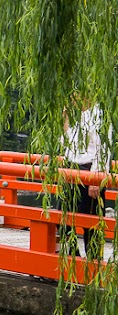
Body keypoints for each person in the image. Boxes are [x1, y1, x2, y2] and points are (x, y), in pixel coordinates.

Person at [64, 102, 108, 254]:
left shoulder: (100, 114)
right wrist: (65, 119)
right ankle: (72, 258)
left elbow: (103, 149)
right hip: (70, 169)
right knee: (63, 220)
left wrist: (95, 179)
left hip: (90, 171)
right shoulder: (73, 113)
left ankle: (93, 262)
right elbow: (66, 144)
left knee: (91, 222)